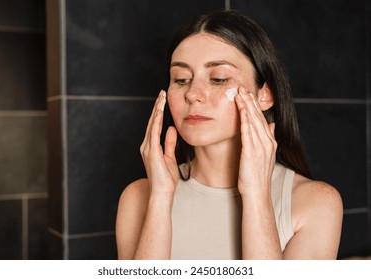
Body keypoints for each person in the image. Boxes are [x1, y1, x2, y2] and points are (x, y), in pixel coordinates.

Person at [115, 9, 343, 260]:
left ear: (264, 94)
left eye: (219, 78)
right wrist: (160, 199)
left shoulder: (317, 203)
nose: (193, 93)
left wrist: (257, 195)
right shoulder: (138, 197)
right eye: (180, 79)